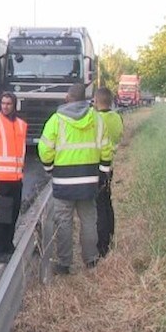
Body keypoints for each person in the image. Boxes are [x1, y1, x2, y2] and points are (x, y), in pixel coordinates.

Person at [38, 83, 113, 274]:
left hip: (64, 181)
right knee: (89, 221)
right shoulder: (97, 119)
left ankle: (64, 263)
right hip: (89, 180)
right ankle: (91, 259)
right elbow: (106, 149)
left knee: (63, 222)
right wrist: (103, 173)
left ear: (67, 98)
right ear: (85, 98)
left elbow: (45, 149)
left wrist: (50, 168)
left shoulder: (56, 120)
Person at [0, 92, 28, 263]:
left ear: (14, 105)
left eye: (8, 103)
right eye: (3, 103)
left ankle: (8, 246)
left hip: (16, 180)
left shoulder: (21, 125)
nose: (5, 106)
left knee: (12, 216)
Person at [94, 87, 124, 258]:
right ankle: (110, 237)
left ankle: (102, 245)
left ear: (96, 101)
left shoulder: (97, 120)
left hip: (98, 165)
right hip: (110, 165)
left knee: (99, 206)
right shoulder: (117, 118)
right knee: (107, 202)